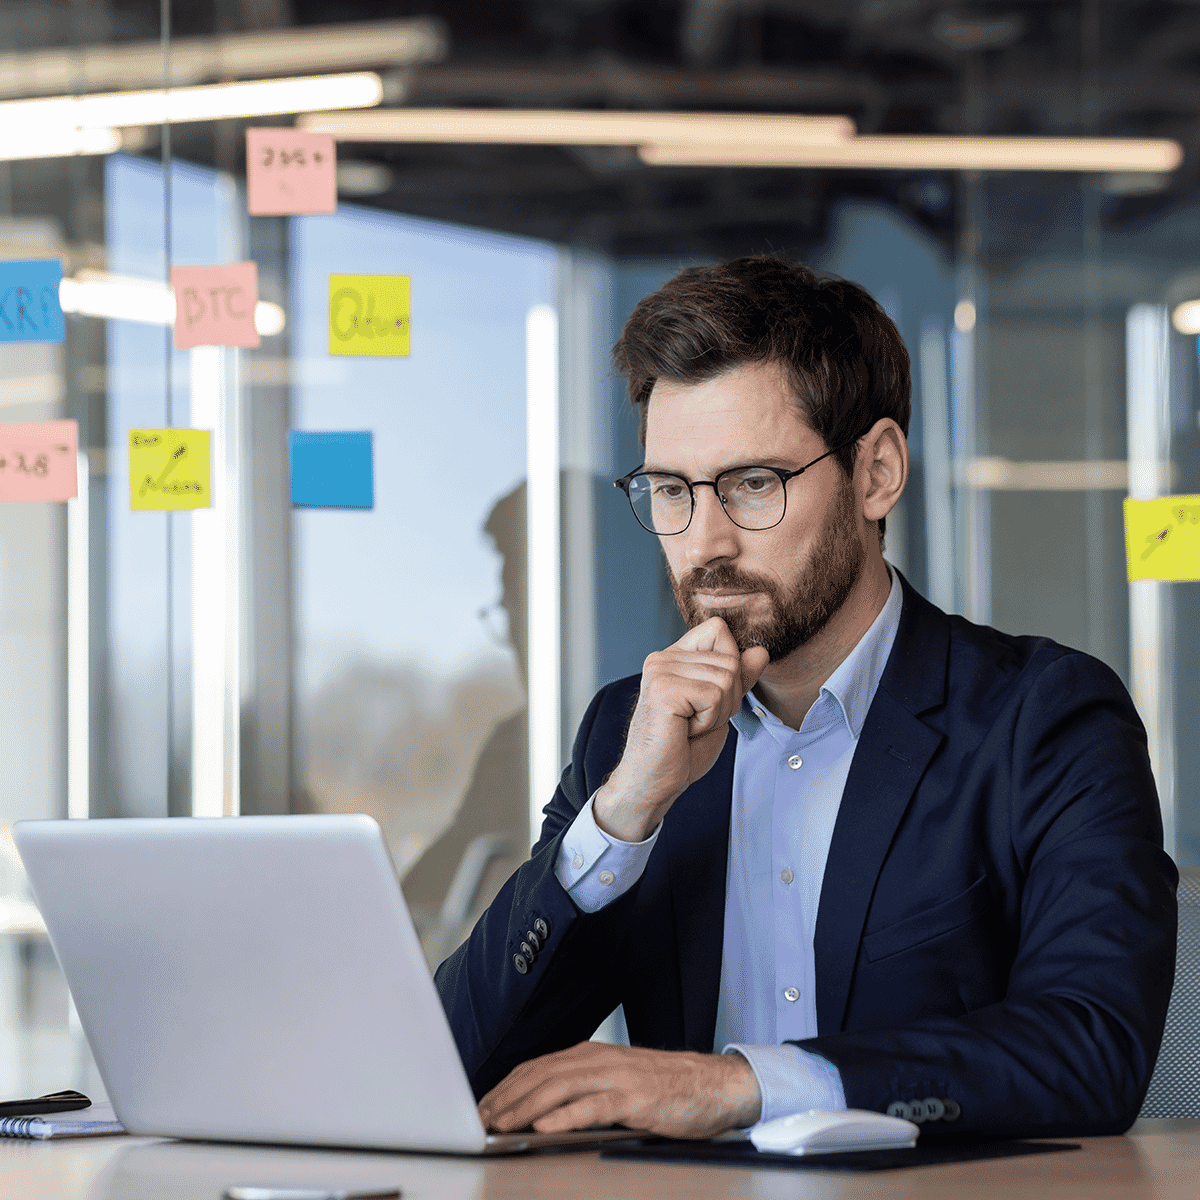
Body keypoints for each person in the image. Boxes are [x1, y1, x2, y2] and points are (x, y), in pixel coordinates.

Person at [435, 256, 1178, 1141]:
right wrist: (622, 816)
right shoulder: (628, 736)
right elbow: (453, 1068)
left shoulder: (1044, 721)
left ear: (877, 473)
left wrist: (746, 1086)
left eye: (753, 484)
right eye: (671, 490)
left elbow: (1091, 1052)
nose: (703, 543)